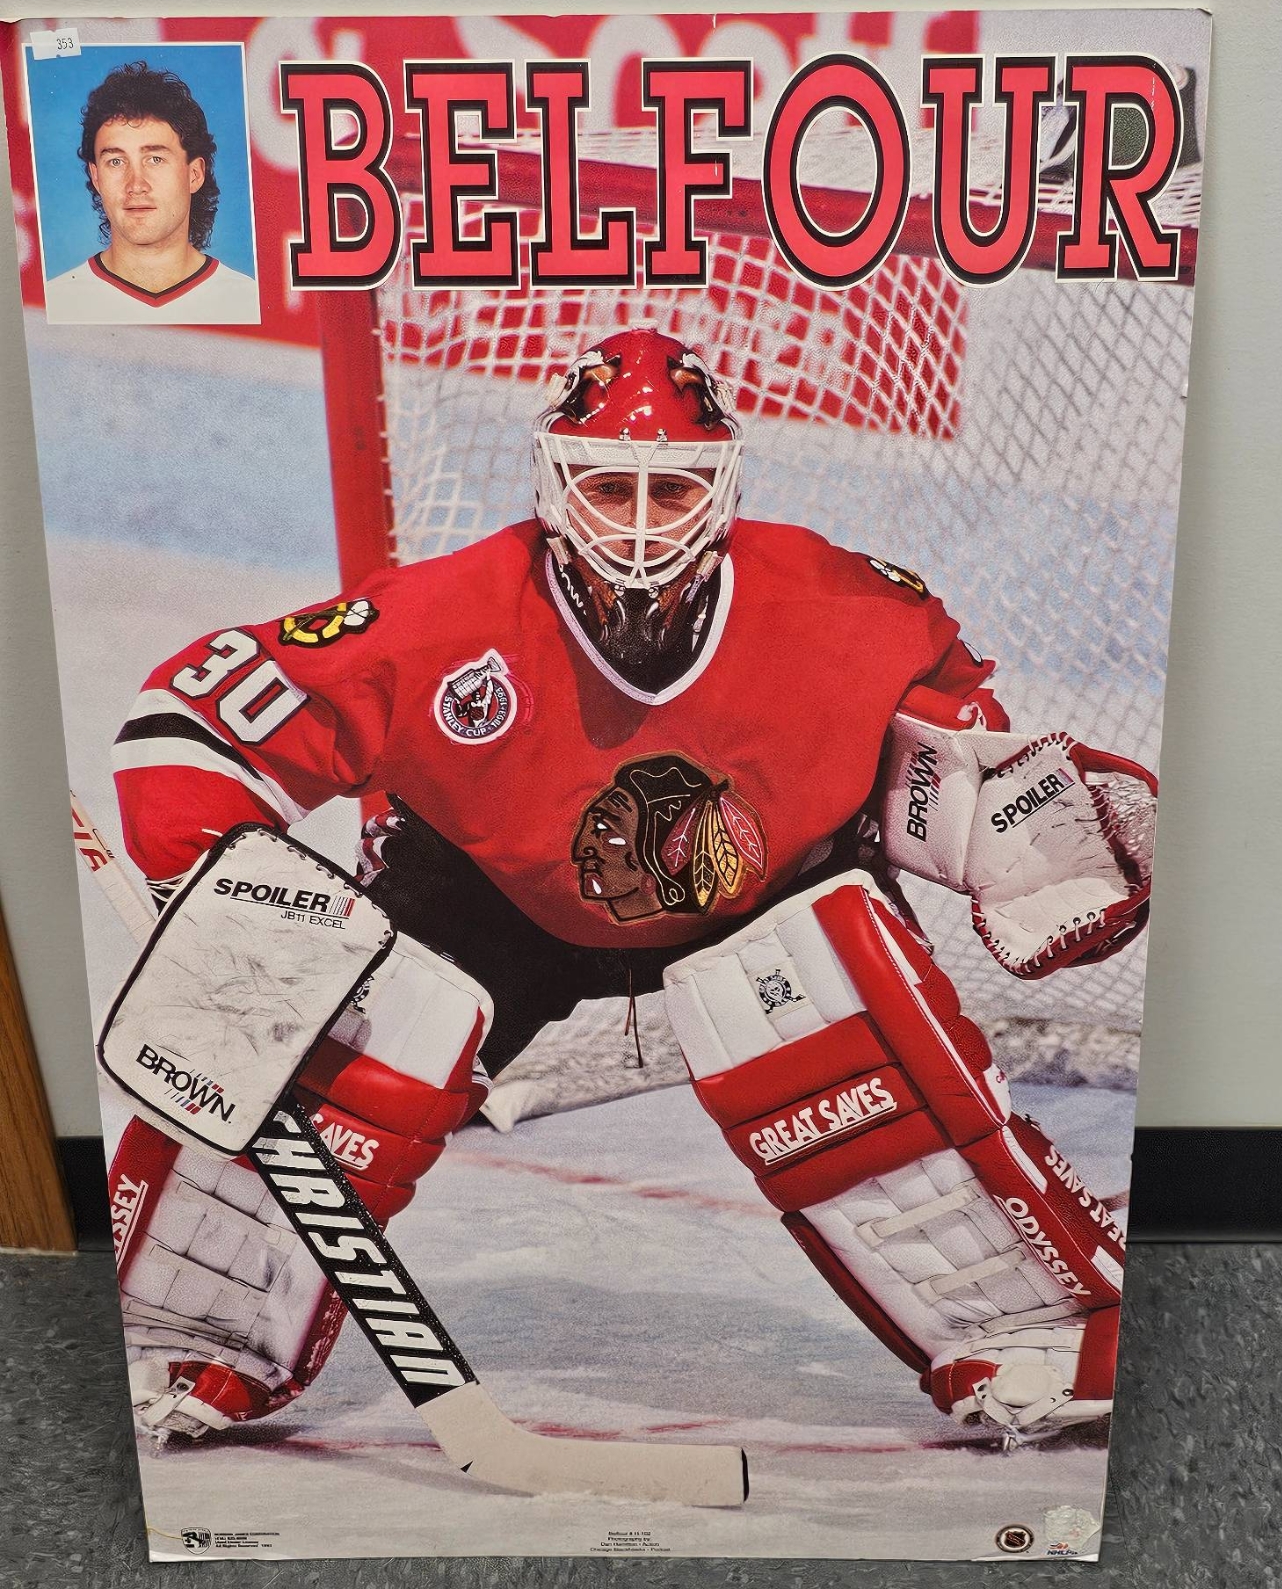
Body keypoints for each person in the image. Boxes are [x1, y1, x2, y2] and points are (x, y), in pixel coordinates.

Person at [106, 328, 1149, 1447]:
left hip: (765, 898)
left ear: (724, 487)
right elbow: (192, 720)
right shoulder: (443, 616)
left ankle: (1037, 1327)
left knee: (837, 998)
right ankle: (190, 1328)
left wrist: (1040, 843)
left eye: (673, 489)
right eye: (610, 487)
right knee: (340, 1024)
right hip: (491, 897)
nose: (641, 522)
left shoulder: (848, 608)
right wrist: (218, 881)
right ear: (555, 485)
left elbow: (957, 771)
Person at [43, 60, 258, 324]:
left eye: (155, 159)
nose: (136, 185)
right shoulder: (56, 304)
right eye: (116, 161)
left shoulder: (246, 301)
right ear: (96, 177)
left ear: (194, 174)